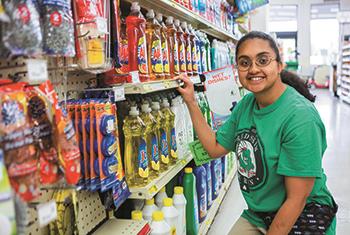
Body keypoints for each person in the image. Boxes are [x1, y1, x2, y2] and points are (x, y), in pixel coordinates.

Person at [177, 31, 337, 235]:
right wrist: (191, 101)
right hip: (260, 214)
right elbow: (214, 148)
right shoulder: (246, 105)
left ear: (279, 65)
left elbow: (296, 199)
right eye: (244, 63)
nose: (253, 69)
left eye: (263, 60)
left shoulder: (300, 118)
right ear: (237, 71)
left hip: (304, 214)